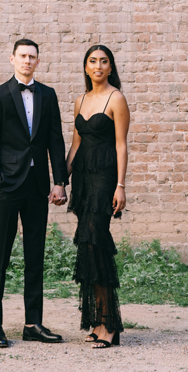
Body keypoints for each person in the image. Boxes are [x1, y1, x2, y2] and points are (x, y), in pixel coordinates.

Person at [0, 38, 69, 349]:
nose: (27, 61)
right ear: (12, 59)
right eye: (22, 56)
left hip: (37, 186)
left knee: (35, 257)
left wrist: (60, 181)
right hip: (7, 186)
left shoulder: (48, 95)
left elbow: (56, 140)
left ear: (38, 61)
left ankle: (33, 323)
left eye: (32, 56)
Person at [66, 44, 130, 350]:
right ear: (86, 66)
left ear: (110, 66)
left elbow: (121, 144)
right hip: (82, 179)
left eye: (104, 61)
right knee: (87, 247)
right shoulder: (80, 99)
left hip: (105, 178)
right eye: (93, 61)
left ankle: (109, 326)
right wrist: (58, 180)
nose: (98, 66)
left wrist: (120, 185)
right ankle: (97, 320)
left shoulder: (116, 98)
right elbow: (75, 145)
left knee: (96, 239)